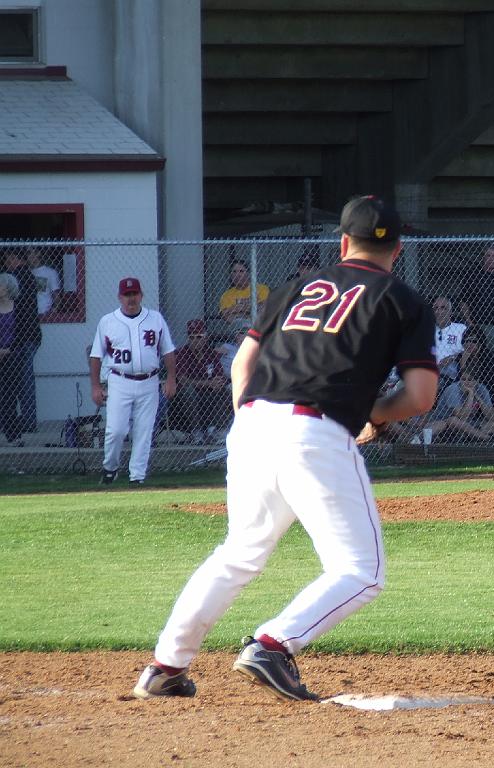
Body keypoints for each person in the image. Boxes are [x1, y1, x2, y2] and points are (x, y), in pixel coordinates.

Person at [133, 195, 438, 702]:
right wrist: (374, 415)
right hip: (315, 431)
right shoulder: (403, 300)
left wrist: (253, 424)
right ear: (398, 249)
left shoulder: (298, 286)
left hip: (252, 422)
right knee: (361, 571)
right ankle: (273, 644)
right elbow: (421, 397)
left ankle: (166, 667)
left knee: (238, 554)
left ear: (343, 242)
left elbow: (241, 366)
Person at [89, 277, 177, 485]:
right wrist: (95, 386)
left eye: (134, 294)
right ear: (120, 297)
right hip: (120, 380)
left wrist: (171, 378)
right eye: (127, 295)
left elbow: (168, 350)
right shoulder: (108, 321)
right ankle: (110, 467)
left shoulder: (155, 319)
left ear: (141, 295)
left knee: (144, 431)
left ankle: (137, 476)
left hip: (149, 381)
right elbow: (96, 356)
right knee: (116, 430)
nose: (131, 298)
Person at [171, 319, 231, 444]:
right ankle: (196, 431)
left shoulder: (211, 353)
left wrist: (216, 383)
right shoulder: (183, 353)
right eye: (192, 337)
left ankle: (214, 430)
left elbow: (219, 376)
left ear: (205, 337)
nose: (195, 340)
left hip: (208, 395)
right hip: (188, 397)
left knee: (223, 388)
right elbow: (183, 380)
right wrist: (208, 383)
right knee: (188, 391)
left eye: (199, 336)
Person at [2, 247, 42, 434]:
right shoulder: (28, 276)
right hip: (28, 336)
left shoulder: (19, 277)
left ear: (14, 258)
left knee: (22, 382)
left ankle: (27, 422)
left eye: (8, 258)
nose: (7, 263)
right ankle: (21, 421)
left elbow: (20, 311)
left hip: (24, 338)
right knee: (19, 382)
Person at [458, 245, 494, 357]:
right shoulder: (473, 276)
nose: (491, 258)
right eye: (488, 256)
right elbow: (463, 301)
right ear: (483, 258)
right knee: (479, 359)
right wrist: (470, 322)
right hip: (480, 326)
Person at [426, 364, 494, 442]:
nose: (466, 382)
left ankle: (472, 436)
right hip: (448, 425)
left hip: (470, 425)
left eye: (470, 379)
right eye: (463, 379)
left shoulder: (482, 389)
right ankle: (487, 438)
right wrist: (471, 395)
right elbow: (462, 417)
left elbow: (491, 416)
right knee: (453, 420)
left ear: (477, 381)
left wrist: (478, 397)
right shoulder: (453, 390)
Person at [0, 272, 22, 445]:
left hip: (11, 355)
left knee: (9, 395)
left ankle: (12, 434)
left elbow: (23, 332)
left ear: (8, 288)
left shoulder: (18, 307)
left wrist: (9, 350)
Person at [433, 295, 466, 383]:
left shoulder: (461, 329)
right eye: (436, 308)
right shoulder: (427, 330)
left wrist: (453, 357)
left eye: (443, 308)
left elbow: (469, 351)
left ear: (450, 311)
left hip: (452, 375)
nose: (439, 311)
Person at [26, 246, 61, 315]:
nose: (32, 256)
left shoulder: (50, 272)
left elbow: (57, 296)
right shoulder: (24, 272)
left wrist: (53, 311)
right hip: (28, 314)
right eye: (29, 253)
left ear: (39, 253)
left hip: (44, 312)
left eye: (35, 252)